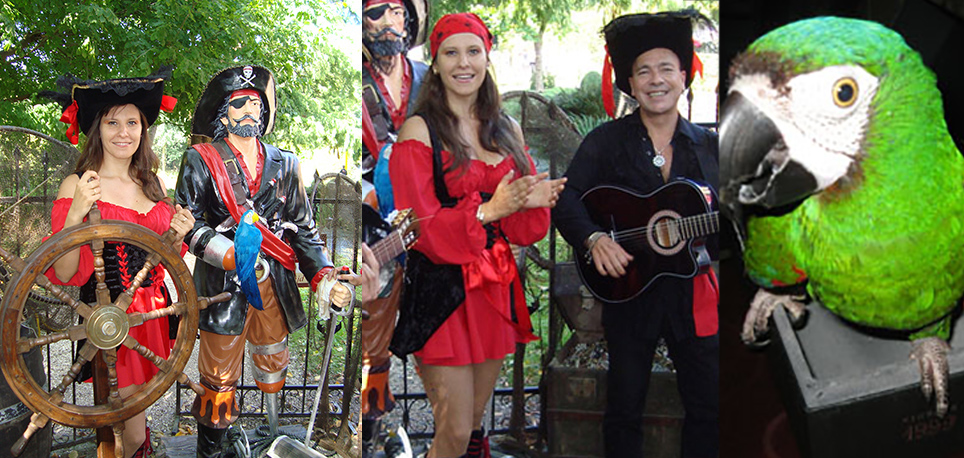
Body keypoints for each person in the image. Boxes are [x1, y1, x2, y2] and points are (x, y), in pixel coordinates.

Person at [388, 13, 566, 458]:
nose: (463, 63)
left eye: (473, 51)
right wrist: (490, 210)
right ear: (435, 62)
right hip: (441, 292)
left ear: (487, 58)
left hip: (493, 289)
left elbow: (521, 228)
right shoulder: (419, 130)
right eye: (451, 52)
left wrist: (532, 200)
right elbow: (420, 227)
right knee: (450, 431)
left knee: (471, 428)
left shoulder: (507, 129)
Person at [553, 12, 720, 458]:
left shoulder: (710, 147)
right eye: (644, 71)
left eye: (666, 68)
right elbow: (567, 201)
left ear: (684, 76)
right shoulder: (606, 143)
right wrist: (593, 239)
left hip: (693, 297)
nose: (656, 80)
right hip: (630, 292)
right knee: (624, 408)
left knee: (708, 407)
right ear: (631, 82)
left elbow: (729, 231)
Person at [174, 65, 352, 458]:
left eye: (256, 102)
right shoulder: (200, 160)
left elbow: (303, 230)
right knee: (218, 374)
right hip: (223, 287)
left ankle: (273, 434)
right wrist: (231, 254)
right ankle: (213, 448)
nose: (250, 109)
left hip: (275, 282)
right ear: (224, 112)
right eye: (240, 103)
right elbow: (189, 225)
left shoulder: (286, 163)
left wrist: (324, 275)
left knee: (273, 358)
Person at [41, 69, 190, 458]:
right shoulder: (78, 186)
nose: (123, 132)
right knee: (127, 433)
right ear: (97, 128)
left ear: (143, 129)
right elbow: (63, 273)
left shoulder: (151, 184)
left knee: (127, 425)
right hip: (111, 321)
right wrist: (75, 214)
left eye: (132, 122)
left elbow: (164, 256)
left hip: (154, 317)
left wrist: (177, 232)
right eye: (112, 122)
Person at [360, 0, 429, 455]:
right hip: (373, 236)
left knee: (438, 331)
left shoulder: (431, 77)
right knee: (371, 343)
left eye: (400, 11)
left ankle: (453, 430)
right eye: (377, 10)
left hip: (429, 225)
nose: (391, 21)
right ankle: (370, 429)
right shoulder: (355, 78)